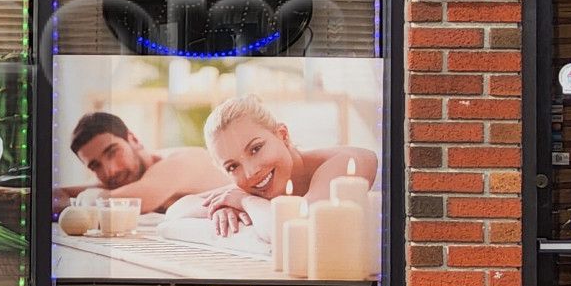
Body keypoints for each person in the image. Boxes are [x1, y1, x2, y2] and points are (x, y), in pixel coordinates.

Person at [176, 93, 379, 239]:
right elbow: (177, 210)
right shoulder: (250, 186)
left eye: (255, 149)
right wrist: (221, 207)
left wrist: (246, 202)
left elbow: (296, 226)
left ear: (282, 135)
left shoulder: (345, 163)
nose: (250, 172)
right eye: (232, 167)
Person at [52, 110, 225, 216]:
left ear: (133, 139)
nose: (110, 171)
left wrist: (75, 201)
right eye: (95, 165)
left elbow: (126, 201)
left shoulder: (181, 162)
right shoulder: (126, 180)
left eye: (112, 152)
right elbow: (57, 194)